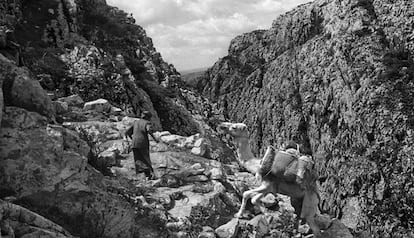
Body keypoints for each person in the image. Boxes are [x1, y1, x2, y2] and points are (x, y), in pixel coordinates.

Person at [125, 110, 159, 179]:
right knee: (146, 158)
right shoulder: (147, 123)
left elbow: (127, 133)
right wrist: (155, 139)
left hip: (134, 144)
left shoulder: (135, 122)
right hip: (143, 143)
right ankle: (150, 175)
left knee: (138, 159)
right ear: (147, 117)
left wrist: (132, 139)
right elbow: (148, 130)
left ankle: (141, 176)